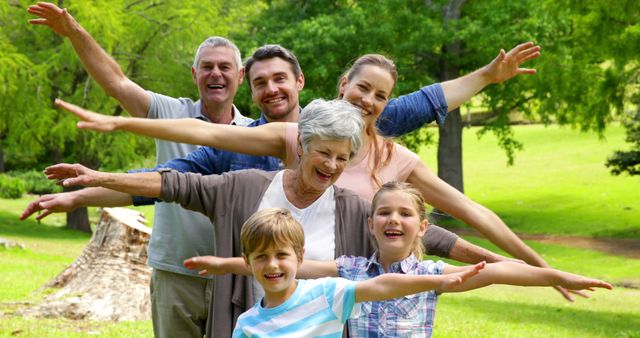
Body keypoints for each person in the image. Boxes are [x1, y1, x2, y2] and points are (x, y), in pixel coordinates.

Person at [51, 49, 584, 301]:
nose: (369, 101)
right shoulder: (300, 132)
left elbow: (471, 211)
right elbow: (207, 139)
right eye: (361, 89)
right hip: (292, 280)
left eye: (379, 96)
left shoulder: (394, 152)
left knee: (472, 257)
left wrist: (544, 267)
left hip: (359, 287)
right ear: (340, 84)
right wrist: (119, 121)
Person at [35, 99, 478, 337]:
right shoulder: (244, 187)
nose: (331, 165)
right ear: (301, 146)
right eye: (323, 152)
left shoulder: (352, 207)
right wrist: (99, 178)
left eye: (342, 158)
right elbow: (173, 184)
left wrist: (505, 261)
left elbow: (425, 232)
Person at [27, 3, 253, 337]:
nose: (215, 74)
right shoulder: (170, 113)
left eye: (224, 67)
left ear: (240, 75)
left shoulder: (256, 136)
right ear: (194, 75)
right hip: (176, 275)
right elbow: (116, 83)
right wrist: (75, 31)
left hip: (236, 277)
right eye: (206, 67)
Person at [186, 182, 613, 338]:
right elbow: (284, 267)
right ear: (370, 223)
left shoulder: (433, 273)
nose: (394, 220)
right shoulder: (349, 270)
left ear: (422, 227)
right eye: (385, 213)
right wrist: (227, 265)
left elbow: (500, 272)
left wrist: (559, 275)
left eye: (405, 214)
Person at [223, 207, 486, 338]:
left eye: (282, 255)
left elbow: (382, 286)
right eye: (261, 257)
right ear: (248, 262)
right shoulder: (247, 325)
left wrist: (438, 280)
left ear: (300, 257)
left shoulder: (325, 293)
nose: (272, 265)